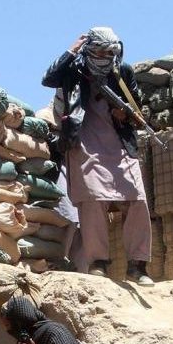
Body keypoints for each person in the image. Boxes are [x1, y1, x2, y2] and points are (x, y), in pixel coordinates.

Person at [42, 27, 154, 284]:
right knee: (92, 201)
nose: (106, 57)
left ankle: (138, 266)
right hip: (84, 143)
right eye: (101, 52)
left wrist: (124, 114)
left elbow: (136, 105)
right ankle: (98, 262)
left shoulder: (122, 72)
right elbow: (49, 78)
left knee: (137, 198)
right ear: (89, 49)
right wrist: (71, 51)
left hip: (120, 145)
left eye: (111, 52)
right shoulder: (73, 71)